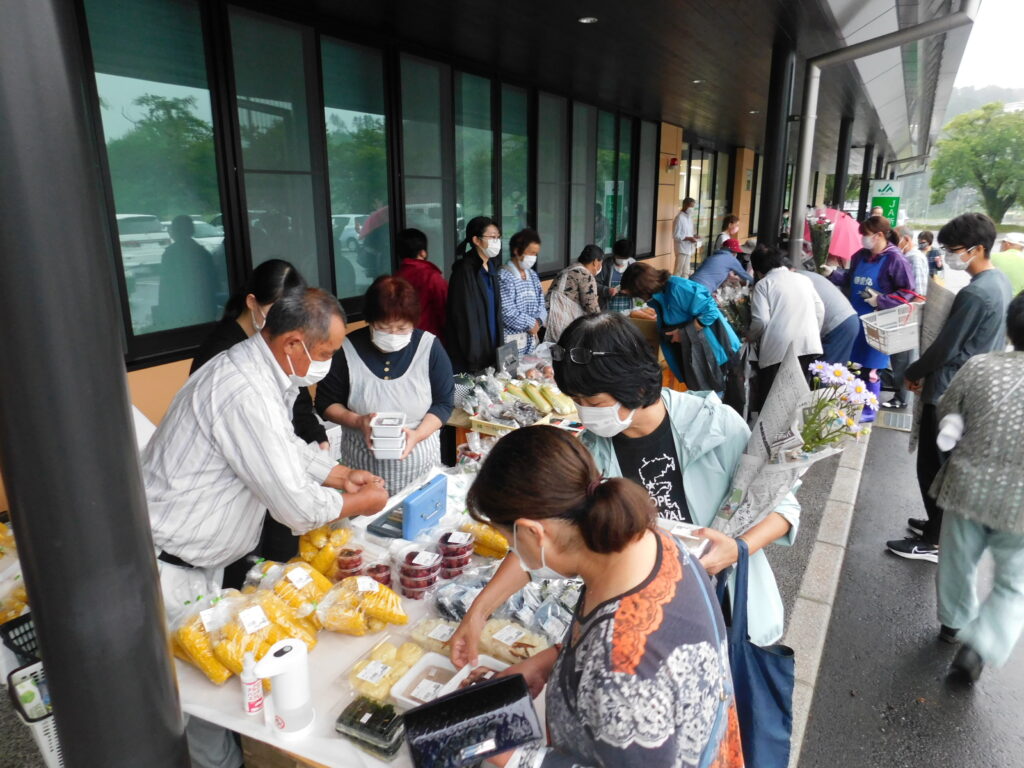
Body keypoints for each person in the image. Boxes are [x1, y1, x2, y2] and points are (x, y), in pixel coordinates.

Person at [450, 313, 799, 664]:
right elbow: (537, 544)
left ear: (638, 387)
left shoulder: (714, 425)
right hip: (651, 625)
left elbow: (783, 506)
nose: (584, 414)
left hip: (728, 606)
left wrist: (737, 549)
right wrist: (478, 612)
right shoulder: (591, 449)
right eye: (577, 401)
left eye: (595, 403)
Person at [143, 288, 389, 768]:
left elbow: (283, 448)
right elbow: (295, 508)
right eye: (326, 353)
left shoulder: (264, 374)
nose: (329, 362)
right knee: (194, 701)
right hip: (169, 569)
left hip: (203, 565)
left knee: (214, 683)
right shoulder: (242, 390)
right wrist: (358, 501)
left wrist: (339, 475)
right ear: (294, 343)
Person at [461, 425, 744, 768]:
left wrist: (512, 756)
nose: (513, 553)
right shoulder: (644, 541)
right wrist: (550, 662)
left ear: (534, 533)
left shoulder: (619, 666)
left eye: (510, 541)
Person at [190, 259, 328, 585]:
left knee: (280, 571)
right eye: (274, 310)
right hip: (242, 492)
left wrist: (316, 438)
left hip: (277, 474)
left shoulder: (275, 345)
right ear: (252, 303)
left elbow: (299, 402)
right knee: (250, 582)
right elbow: (257, 439)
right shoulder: (225, 357)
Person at [887, 213, 1013, 563]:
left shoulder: (975, 293)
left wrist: (912, 372)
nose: (949, 256)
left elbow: (946, 346)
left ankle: (934, 541)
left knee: (933, 466)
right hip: (968, 388)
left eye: (954, 249)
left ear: (977, 249)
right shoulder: (998, 283)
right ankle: (934, 525)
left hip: (948, 390)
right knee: (943, 463)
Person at [933, 294, 1024, 682]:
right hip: (1020, 504)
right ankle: (981, 644)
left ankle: (954, 622)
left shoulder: (980, 366)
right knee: (1014, 581)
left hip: (967, 484)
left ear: (1010, 327)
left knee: (957, 558)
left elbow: (947, 407)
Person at [316, 276, 453, 492]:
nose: (393, 335)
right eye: (384, 327)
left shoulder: (430, 347)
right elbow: (326, 403)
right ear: (370, 320)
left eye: (401, 328)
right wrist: (358, 420)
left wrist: (417, 435)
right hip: (362, 472)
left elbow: (444, 404)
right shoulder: (346, 350)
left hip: (420, 467)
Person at [619, 261, 741, 396]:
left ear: (643, 288)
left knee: (715, 402)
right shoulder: (660, 295)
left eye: (637, 294)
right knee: (706, 398)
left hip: (717, 353)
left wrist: (683, 333)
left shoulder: (677, 288)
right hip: (699, 356)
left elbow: (710, 311)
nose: (639, 298)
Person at [823, 215, 915, 384]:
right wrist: (832, 274)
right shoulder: (860, 256)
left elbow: (908, 292)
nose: (862, 239)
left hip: (878, 324)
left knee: (870, 372)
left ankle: (868, 409)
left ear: (878, 235)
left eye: (865, 234)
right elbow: (850, 279)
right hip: (854, 320)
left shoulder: (895, 259)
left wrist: (881, 300)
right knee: (850, 368)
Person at [748, 245, 825, 411]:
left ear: (758, 269)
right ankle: (793, 432)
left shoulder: (764, 284)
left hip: (779, 348)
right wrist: (810, 332)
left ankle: (770, 435)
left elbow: (761, 320)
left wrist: (750, 336)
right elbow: (820, 310)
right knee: (796, 395)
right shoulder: (803, 279)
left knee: (772, 398)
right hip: (807, 345)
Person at [445, 216, 504, 373]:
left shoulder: (491, 266)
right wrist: (474, 358)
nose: (496, 241)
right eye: (492, 237)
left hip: (492, 349)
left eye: (498, 237)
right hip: (473, 355)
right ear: (476, 240)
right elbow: (463, 318)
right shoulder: (464, 271)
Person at [885, 227, 930, 410]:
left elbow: (918, 293)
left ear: (905, 239)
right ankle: (901, 395)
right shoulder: (912, 256)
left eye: (896, 240)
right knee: (900, 358)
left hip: (907, 316)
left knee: (902, 359)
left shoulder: (913, 258)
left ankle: (901, 397)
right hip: (906, 314)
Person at [155, 214, 218, 330]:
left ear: (175, 231)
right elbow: (214, 282)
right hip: (204, 310)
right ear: (191, 230)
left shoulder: (170, 254)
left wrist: (162, 308)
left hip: (178, 312)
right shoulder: (202, 252)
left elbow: (165, 286)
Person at [497, 228, 546, 353]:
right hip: (512, 341)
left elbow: (541, 303)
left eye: (535, 254)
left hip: (531, 339)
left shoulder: (533, 275)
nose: (533, 257)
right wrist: (530, 324)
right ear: (517, 251)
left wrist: (539, 321)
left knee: (530, 369)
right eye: (530, 253)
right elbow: (507, 311)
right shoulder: (504, 276)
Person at [800, 263, 860, 365]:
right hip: (846, 319)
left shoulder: (796, 281)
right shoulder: (804, 275)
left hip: (839, 324)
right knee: (827, 371)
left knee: (826, 373)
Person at [395, 227, 447, 341]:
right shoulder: (431, 276)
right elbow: (445, 310)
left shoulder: (395, 278)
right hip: (429, 339)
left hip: (403, 338)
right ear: (423, 252)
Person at [547, 244, 604, 318]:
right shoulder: (586, 275)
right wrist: (602, 320)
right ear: (595, 262)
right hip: (562, 319)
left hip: (549, 314)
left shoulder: (568, 269)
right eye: (600, 263)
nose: (600, 266)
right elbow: (591, 306)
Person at [595, 238, 636, 313]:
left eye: (625, 258)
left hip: (628, 309)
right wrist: (607, 290)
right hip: (607, 309)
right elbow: (595, 285)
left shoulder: (633, 265)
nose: (622, 260)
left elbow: (639, 285)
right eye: (619, 258)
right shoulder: (605, 265)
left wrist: (632, 291)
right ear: (614, 254)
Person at [672, 197, 698, 277]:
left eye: (693, 207)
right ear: (685, 205)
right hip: (681, 249)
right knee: (678, 271)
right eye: (691, 206)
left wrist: (695, 236)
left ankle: (684, 288)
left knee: (686, 272)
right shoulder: (679, 218)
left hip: (688, 248)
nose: (692, 209)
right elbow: (675, 235)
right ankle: (674, 287)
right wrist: (688, 238)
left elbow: (690, 232)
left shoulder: (689, 218)